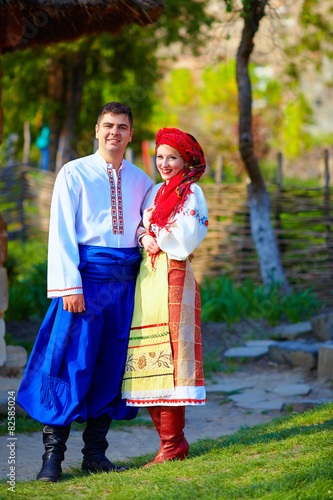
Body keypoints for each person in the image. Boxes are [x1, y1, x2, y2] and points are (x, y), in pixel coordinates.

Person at [18, 102, 153, 482]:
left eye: (122, 127)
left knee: (111, 367)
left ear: (130, 133)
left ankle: (95, 454)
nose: (115, 132)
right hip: (84, 285)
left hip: (126, 288)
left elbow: (146, 231)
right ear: (97, 130)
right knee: (69, 365)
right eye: (108, 125)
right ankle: (52, 458)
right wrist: (69, 287)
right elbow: (60, 232)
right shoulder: (73, 173)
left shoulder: (142, 181)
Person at [122, 127, 208, 465]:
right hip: (148, 276)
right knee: (147, 352)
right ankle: (171, 443)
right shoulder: (155, 191)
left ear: (186, 160)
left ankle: (172, 445)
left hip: (174, 275)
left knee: (173, 355)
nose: (165, 163)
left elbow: (188, 236)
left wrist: (158, 234)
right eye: (160, 157)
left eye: (172, 157)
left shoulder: (192, 193)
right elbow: (139, 227)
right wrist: (145, 237)